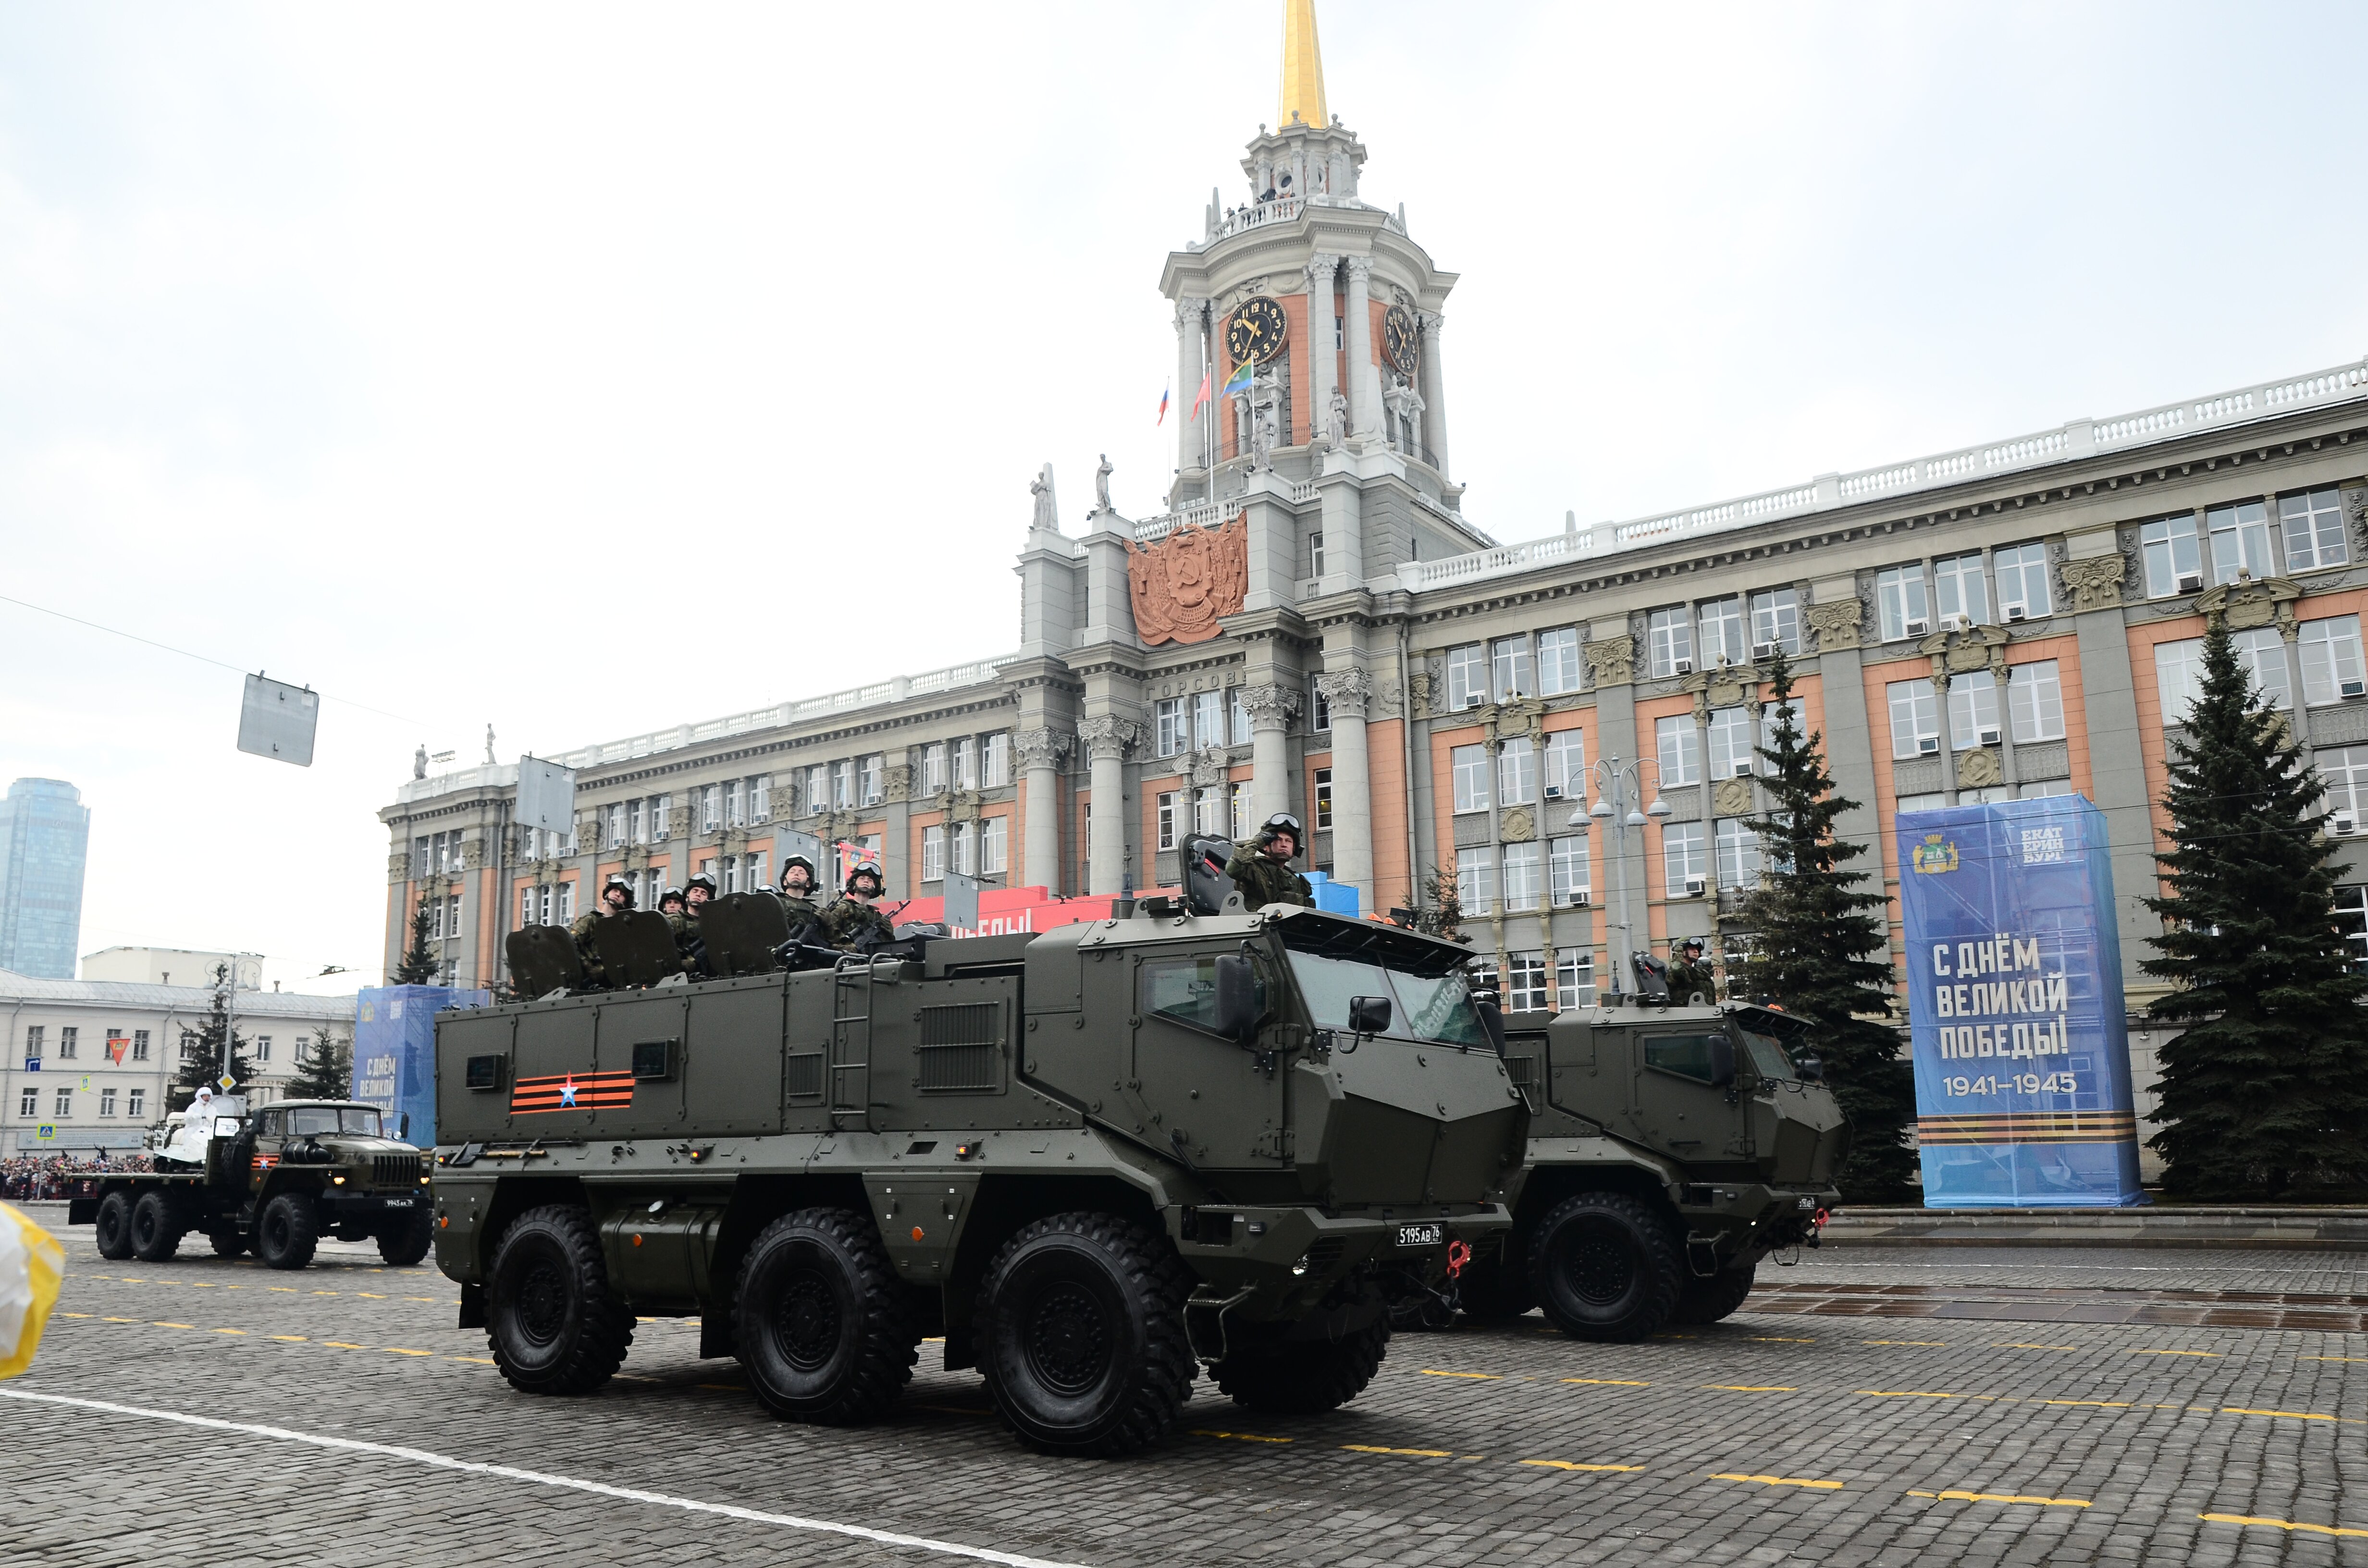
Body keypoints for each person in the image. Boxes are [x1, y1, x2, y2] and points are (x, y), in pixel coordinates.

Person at [1225, 813, 1314, 909]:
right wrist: (1257, 842)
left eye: (1288, 841)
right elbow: (1232, 869)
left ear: (1294, 849)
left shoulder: (1296, 880)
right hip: (1257, 922)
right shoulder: (1253, 868)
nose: (1284, 845)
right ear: (1266, 846)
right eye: (1279, 840)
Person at [570, 877, 634, 987]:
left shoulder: (623, 929)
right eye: (615, 891)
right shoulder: (591, 920)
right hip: (591, 982)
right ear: (607, 894)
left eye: (622, 894)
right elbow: (570, 943)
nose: (618, 895)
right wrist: (588, 965)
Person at [821, 862, 897, 953]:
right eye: (862, 878)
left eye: (870, 880)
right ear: (854, 884)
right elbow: (829, 936)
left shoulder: (876, 917)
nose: (866, 881)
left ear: (874, 887)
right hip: (846, 961)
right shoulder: (842, 909)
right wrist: (843, 947)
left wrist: (888, 932)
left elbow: (887, 947)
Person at [776, 856, 824, 942]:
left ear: (808, 883)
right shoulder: (775, 902)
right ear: (785, 881)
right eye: (792, 872)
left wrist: (828, 924)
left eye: (801, 873)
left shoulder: (815, 912)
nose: (796, 874)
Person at [1667, 938, 1717, 1005]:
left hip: (1706, 1012)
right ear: (1683, 952)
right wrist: (1678, 954)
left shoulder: (1700, 973)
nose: (1696, 952)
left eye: (1697, 950)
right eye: (1692, 949)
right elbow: (1676, 971)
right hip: (1685, 1013)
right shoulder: (1678, 971)